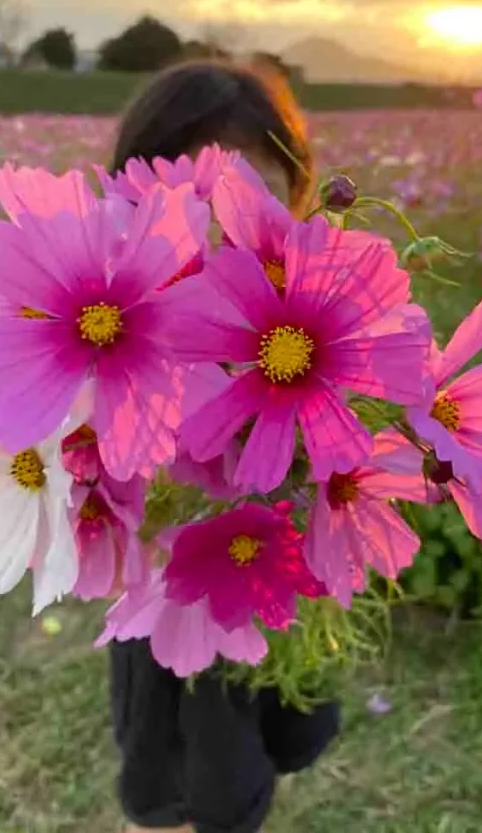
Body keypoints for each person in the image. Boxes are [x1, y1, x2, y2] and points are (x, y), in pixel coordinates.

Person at [108, 58, 341, 833]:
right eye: (198, 206)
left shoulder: (321, 307)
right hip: (176, 580)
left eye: (254, 204)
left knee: (278, 722)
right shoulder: (116, 317)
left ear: (296, 197)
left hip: (282, 569)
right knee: (178, 761)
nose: (226, 235)